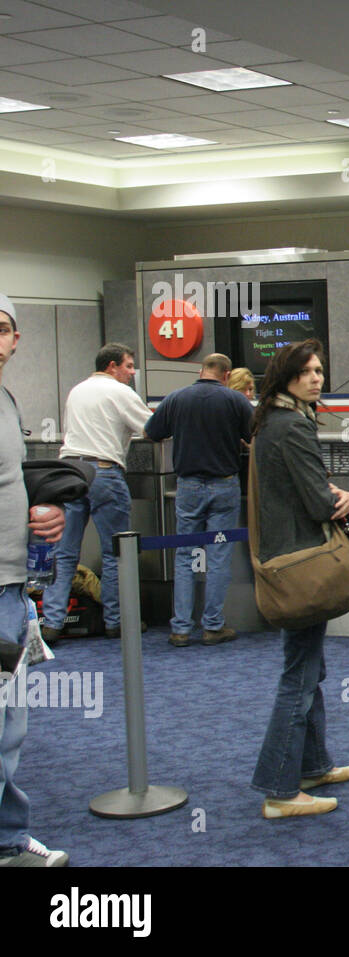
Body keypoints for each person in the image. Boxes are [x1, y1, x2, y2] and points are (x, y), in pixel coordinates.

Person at [250, 340, 349, 818]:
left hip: (287, 557)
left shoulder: (273, 421)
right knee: (300, 674)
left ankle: (312, 764)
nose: (317, 378)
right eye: (308, 372)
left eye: (320, 370)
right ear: (287, 377)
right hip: (302, 562)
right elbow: (319, 503)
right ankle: (280, 788)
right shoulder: (292, 424)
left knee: (309, 668)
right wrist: (341, 494)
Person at [0, 293, 70, 866]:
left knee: (8, 725)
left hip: (10, 584)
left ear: (16, 340)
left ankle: (7, 839)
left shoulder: (4, 399)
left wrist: (36, 512)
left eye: (1, 329)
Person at [40, 343, 153, 645]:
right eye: (128, 366)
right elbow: (152, 428)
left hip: (69, 473)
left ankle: (51, 623)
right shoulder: (119, 391)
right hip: (103, 472)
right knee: (116, 552)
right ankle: (117, 622)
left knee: (64, 553)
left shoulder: (77, 390)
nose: (131, 373)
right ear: (112, 366)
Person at [145, 353, 252, 648]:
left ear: (201, 370)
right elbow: (254, 436)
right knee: (218, 556)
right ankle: (212, 626)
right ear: (227, 374)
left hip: (188, 485)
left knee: (184, 556)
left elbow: (151, 432)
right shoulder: (236, 401)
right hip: (224, 484)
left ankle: (180, 628)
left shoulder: (177, 398)